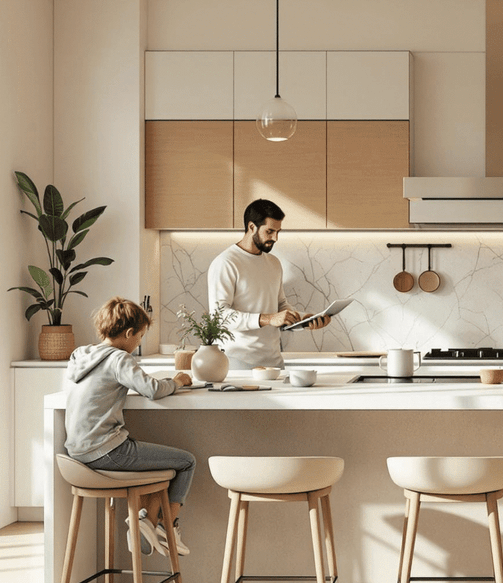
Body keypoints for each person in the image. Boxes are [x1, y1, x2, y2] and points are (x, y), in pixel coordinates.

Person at [65, 297, 195, 556]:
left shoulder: (82, 355)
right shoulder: (118, 359)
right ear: (128, 333)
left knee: (160, 463)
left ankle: (146, 522)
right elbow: (153, 390)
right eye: (140, 336)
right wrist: (178, 381)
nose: (139, 343)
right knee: (186, 461)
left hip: (76, 454)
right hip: (105, 450)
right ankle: (165, 528)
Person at [207, 198, 330, 370]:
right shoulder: (226, 263)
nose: (275, 238)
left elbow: (280, 305)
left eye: (278, 232)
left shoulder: (273, 263)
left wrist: (303, 319)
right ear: (251, 227)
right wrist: (268, 319)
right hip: (238, 363)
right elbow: (219, 317)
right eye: (270, 231)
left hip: (274, 363)